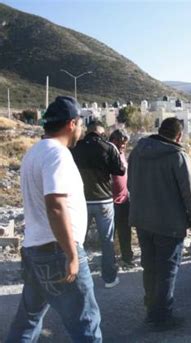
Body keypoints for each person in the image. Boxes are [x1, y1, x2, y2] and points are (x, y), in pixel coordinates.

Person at [6, 96, 102, 342]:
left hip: (34, 250)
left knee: (28, 320)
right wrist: (71, 254)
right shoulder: (57, 155)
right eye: (80, 123)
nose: (81, 128)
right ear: (72, 124)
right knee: (86, 324)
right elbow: (55, 205)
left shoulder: (33, 153)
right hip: (57, 251)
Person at [128, 117, 191, 331]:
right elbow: (189, 192)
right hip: (169, 224)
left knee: (150, 267)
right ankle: (162, 316)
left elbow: (130, 183)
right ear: (178, 136)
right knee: (167, 270)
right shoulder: (177, 156)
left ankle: (152, 309)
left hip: (142, 221)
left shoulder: (137, 152)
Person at [72, 120, 125, 288]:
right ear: (101, 132)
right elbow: (120, 170)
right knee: (107, 241)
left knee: (78, 241)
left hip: (82, 201)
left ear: (87, 131)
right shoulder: (108, 147)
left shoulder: (76, 147)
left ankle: (76, 277)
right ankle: (109, 278)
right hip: (104, 201)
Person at [109, 129, 134, 268]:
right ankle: (109, 260)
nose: (123, 146)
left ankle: (127, 257)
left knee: (125, 231)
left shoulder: (122, 154)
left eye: (125, 143)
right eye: (121, 143)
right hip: (111, 201)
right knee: (110, 235)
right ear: (113, 140)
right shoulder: (107, 153)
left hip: (125, 199)